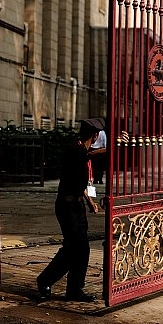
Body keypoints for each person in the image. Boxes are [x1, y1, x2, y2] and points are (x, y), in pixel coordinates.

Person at [36, 118, 104, 302]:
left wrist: (89, 201)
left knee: (83, 248)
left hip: (78, 205)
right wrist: (116, 147)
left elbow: (79, 181)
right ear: (96, 135)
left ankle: (75, 289)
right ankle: (44, 280)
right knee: (73, 247)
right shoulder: (76, 150)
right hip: (67, 206)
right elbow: (92, 155)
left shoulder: (81, 151)